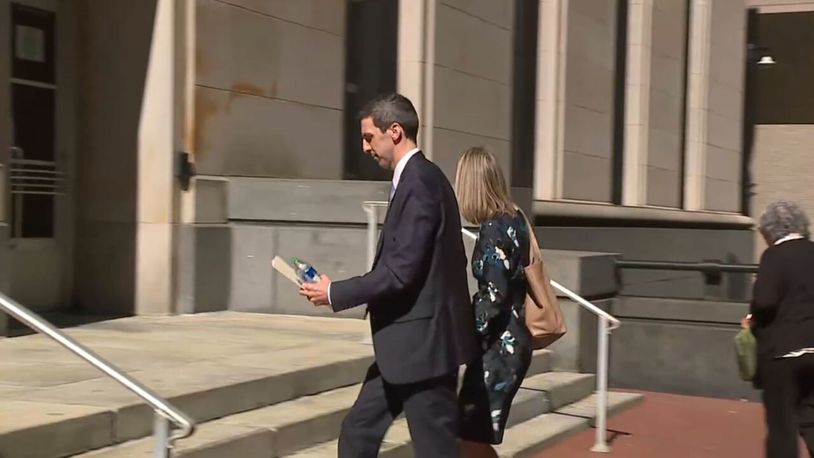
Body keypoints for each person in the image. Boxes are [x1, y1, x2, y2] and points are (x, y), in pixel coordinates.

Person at [300, 92, 478, 458]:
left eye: (369, 137)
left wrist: (335, 292)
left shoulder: (421, 183)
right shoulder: (417, 180)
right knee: (358, 433)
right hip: (404, 345)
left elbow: (400, 272)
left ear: (394, 131)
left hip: (423, 349)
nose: (364, 147)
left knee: (435, 449)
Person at [453, 147, 533, 458]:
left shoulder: (492, 230)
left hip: (498, 349)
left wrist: (462, 335)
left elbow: (493, 299)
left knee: (470, 437)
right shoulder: (515, 220)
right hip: (512, 343)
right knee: (474, 437)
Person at [745, 200, 814, 457]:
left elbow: (765, 301)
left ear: (770, 231)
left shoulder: (774, 256)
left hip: (783, 351)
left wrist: (752, 317)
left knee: (781, 423)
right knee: (811, 416)